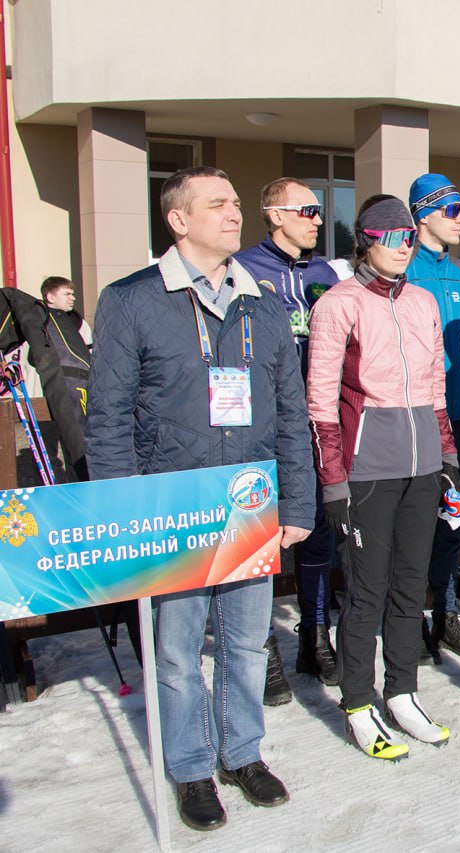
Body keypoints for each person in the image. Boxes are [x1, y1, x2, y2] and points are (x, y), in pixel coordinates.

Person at [86, 166, 314, 831]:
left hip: (248, 501)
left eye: (236, 202)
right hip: (170, 505)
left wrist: (298, 504)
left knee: (246, 644)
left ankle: (241, 753)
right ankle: (189, 765)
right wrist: (122, 511)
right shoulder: (133, 299)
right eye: (216, 204)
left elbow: (291, 414)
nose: (233, 212)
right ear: (178, 220)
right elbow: (108, 416)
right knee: (177, 651)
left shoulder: (262, 305)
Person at [308, 195, 457, 760]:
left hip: (421, 464)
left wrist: (446, 455)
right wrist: (333, 479)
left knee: (411, 585)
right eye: (391, 238)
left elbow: (436, 385)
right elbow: (320, 400)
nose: (403, 248)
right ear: (365, 241)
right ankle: (358, 703)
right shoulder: (338, 304)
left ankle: (402, 693)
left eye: (409, 238)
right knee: (366, 591)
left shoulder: (422, 301)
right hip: (367, 468)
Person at [235, 177, 341, 695]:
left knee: (317, 532)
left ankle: (315, 636)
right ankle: (262, 650)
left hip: (315, 422)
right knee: (260, 536)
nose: (318, 219)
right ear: (275, 215)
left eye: (319, 210)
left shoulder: (325, 274)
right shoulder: (242, 271)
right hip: (262, 426)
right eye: (307, 210)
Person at [404, 173, 460, 662]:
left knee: (453, 518)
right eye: (452, 210)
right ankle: (410, 619)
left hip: (456, 422)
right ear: (423, 214)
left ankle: (447, 613)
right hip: (411, 420)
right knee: (413, 524)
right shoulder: (400, 267)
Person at [38, 275, 92, 427]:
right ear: (50, 297)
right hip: (47, 385)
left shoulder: (79, 323)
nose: (72, 298)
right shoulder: (37, 322)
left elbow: (90, 354)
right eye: (67, 294)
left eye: (73, 294)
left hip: (79, 386)